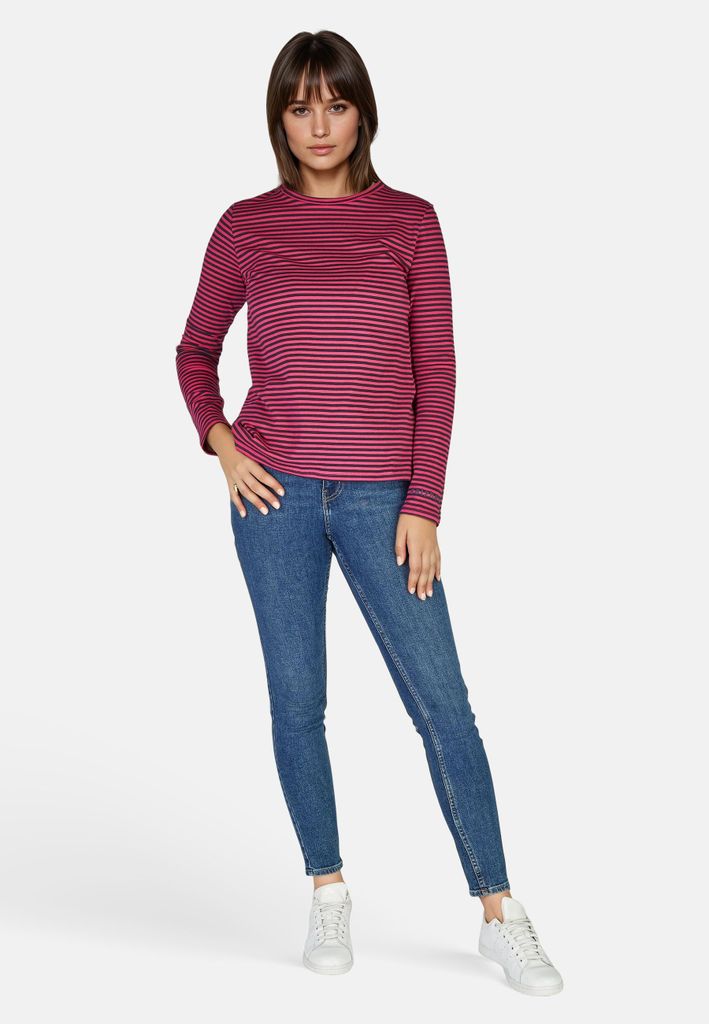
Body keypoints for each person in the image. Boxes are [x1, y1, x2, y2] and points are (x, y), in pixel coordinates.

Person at [175, 29, 563, 996]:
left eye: (335, 104)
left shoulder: (409, 222)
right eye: (299, 106)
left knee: (444, 706)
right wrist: (224, 446)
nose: (319, 125)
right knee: (296, 701)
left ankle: (499, 911)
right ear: (279, 120)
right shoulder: (246, 226)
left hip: (384, 501)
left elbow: (438, 372)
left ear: (362, 113)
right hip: (273, 496)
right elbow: (194, 350)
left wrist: (423, 504)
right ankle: (327, 887)